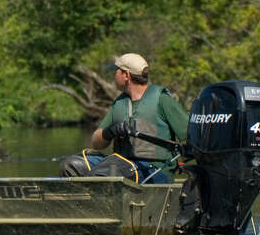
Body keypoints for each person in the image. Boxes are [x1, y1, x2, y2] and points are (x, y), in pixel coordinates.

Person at [79, 52, 188, 182]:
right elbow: (95, 143)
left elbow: (191, 137)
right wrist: (110, 131)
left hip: (154, 171)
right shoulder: (119, 103)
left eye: (116, 72)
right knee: (73, 165)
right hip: (120, 165)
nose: (113, 76)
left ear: (126, 75)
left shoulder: (162, 100)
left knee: (109, 170)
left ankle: (99, 198)